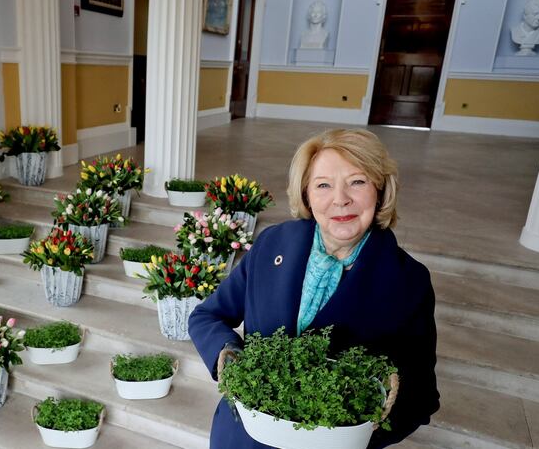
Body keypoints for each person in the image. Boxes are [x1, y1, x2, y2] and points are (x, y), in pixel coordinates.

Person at [188, 129, 440, 448]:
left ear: (379, 188)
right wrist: (228, 356)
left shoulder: (409, 281)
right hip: (241, 439)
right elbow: (206, 315)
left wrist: (357, 433)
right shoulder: (271, 244)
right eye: (323, 185)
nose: (340, 199)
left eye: (357, 181)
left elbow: (421, 398)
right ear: (307, 194)